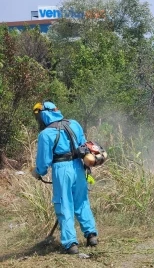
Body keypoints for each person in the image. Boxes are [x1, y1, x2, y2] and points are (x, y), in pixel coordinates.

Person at [31, 101, 98, 254]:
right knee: (81, 200)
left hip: (62, 170)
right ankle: (91, 235)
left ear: (45, 114)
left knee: (64, 204)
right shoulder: (74, 124)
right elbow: (83, 147)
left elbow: (43, 163)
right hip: (79, 167)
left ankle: (71, 244)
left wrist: (37, 172)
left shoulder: (45, 134)